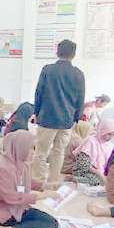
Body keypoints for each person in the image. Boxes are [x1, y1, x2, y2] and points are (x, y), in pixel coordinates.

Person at [33, 39, 86, 187]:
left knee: (41, 152)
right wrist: (75, 118)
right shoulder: (78, 74)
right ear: (74, 54)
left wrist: (36, 112)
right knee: (59, 152)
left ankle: (38, 182)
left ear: (57, 52)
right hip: (67, 121)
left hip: (47, 118)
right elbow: (80, 99)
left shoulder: (47, 70)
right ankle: (54, 182)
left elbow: (39, 93)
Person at [69, 119, 114, 186]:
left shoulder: (110, 145)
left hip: (100, 172)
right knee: (98, 181)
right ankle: (74, 179)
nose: (110, 137)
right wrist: (98, 173)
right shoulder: (90, 141)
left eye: (113, 135)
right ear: (102, 130)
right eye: (108, 134)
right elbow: (83, 164)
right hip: (85, 171)